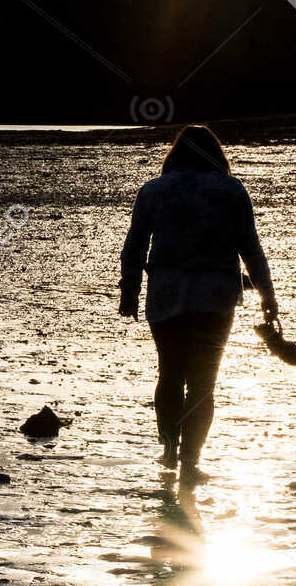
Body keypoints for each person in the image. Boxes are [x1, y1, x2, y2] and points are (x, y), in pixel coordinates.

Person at [119, 124, 278, 487]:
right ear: (215, 154)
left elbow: (134, 247)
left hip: (165, 296)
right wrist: (267, 296)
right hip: (214, 300)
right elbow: (250, 249)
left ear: (174, 154)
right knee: (204, 384)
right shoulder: (231, 191)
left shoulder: (153, 191)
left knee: (170, 375)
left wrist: (129, 291)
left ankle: (169, 449)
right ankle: (191, 460)